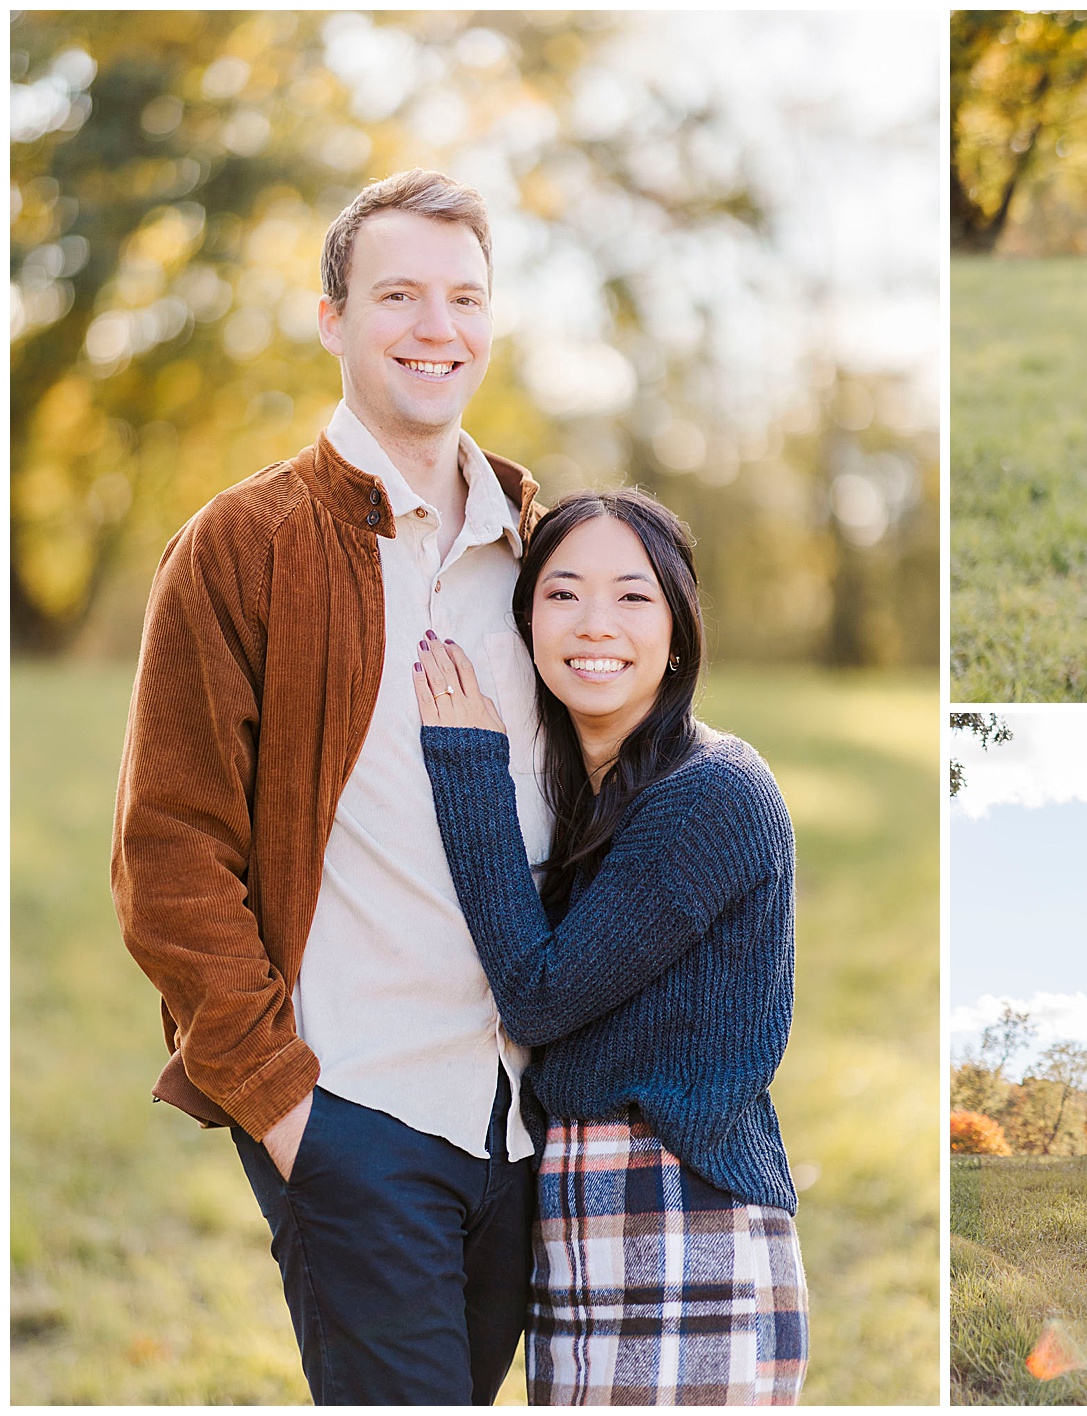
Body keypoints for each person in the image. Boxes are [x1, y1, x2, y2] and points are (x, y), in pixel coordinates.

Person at [111, 170, 547, 1403]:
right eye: (398, 294)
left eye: (465, 297)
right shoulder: (243, 546)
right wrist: (288, 1112)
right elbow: (169, 853)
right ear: (332, 320)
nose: (436, 328)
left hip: (523, 1124)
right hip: (354, 1110)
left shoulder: (540, 548)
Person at [413, 487, 808, 1404]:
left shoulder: (713, 792)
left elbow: (540, 995)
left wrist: (466, 767)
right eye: (563, 593)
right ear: (527, 624)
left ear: (678, 630)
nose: (597, 623)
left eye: (633, 596)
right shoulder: (587, 797)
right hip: (584, 1223)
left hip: (681, 1219)